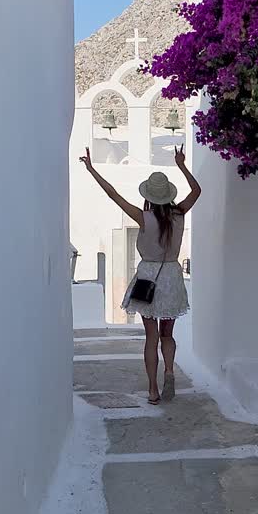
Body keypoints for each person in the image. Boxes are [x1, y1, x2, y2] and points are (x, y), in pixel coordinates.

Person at [79, 146, 201, 404]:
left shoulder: (143, 218)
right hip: (172, 276)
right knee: (168, 334)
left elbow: (113, 194)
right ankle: (169, 370)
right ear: (168, 196)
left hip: (148, 277)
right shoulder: (179, 214)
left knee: (151, 337)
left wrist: (92, 170)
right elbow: (197, 191)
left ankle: (153, 390)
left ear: (149, 196)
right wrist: (181, 164)